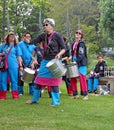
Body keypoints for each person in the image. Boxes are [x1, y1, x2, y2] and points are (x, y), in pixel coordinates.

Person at [26, 18, 66, 106]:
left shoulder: (57, 35)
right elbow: (34, 41)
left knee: (54, 82)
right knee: (38, 80)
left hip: (55, 61)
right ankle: (34, 99)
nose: (45, 26)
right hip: (45, 61)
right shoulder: (43, 36)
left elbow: (64, 48)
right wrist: (27, 41)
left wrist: (59, 54)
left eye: (46, 25)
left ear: (51, 26)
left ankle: (55, 102)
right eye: (44, 25)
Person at [0, 32, 22, 100]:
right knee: (2, 80)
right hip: (3, 65)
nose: (12, 37)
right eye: (10, 36)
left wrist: (20, 65)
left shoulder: (16, 46)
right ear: (7, 37)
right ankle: (2, 96)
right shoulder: (3, 45)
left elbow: (19, 56)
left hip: (13, 65)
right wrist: (1, 54)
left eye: (13, 36)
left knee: (14, 80)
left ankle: (15, 95)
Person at [69, 29, 88, 100]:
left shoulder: (81, 43)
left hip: (81, 62)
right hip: (74, 61)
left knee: (82, 78)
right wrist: (71, 57)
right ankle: (75, 94)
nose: (77, 34)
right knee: (72, 77)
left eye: (79, 33)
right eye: (76, 33)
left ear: (81, 35)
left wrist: (76, 61)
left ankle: (85, 95)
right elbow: (73, 52)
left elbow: (81, 54)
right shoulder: (74, 43)